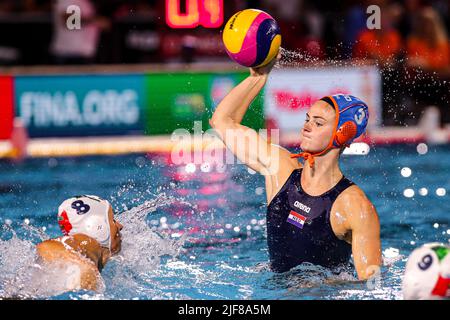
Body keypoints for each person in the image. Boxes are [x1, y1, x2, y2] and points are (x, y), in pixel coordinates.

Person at [209, 53, 381, 280]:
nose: (307, 127)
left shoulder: (355, 206)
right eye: (307, 119)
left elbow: (371, 285)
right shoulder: (280, 168)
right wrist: (258, 77)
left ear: (342, 134)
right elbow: (222, 122)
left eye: (318, 123)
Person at [36, 195, 123, 291]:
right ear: (97, 227)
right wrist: (81, 266)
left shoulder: (89, 258)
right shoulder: (83, 253)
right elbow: (47, 247)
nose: (120, 226)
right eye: (113, 220)